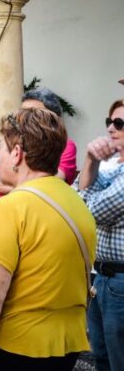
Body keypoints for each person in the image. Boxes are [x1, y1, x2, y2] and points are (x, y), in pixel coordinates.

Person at [0, 108, 96, 370]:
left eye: (0, 147)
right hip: (66, 345)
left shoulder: (12, 207)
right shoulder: (76, 201)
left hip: (14, 347)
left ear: (17, 153)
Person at [79, 98, 124, 371]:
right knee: (102, 358)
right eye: (110, 122)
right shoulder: (115, 166)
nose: (110, 128)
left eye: (119, 123)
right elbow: (80, 192)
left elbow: (88, 211)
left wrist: (89, 185)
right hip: (103, 279)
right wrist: (91, 160)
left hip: (120, 282)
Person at [0, 87, 78, 194]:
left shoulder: (65, 145)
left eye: (34, 113)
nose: (25, 118)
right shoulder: (10, 142)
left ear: (52, 117)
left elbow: (46, 187)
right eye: (23, 111)